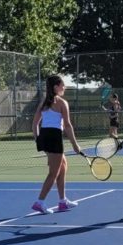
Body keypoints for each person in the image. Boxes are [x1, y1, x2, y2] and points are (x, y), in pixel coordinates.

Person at [31, 75, 82, 214]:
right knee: (53, 173)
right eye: (62, 85)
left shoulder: (43, 102)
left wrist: (38, 140)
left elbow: (35, 124)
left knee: (63, 166)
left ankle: (62, 201)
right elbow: (67, 125)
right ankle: (40, 202)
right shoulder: (62, 103)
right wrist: (75, 145)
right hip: (54, 137)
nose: (64, 87)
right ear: (56, 87)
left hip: (45, 136)